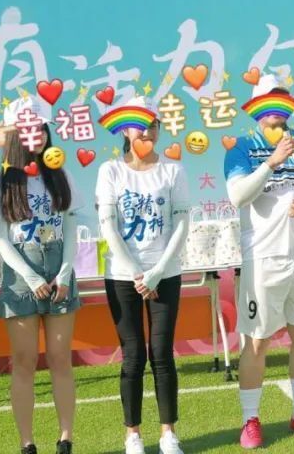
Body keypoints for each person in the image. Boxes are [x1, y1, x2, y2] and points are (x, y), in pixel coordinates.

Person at [224, 75, 294, 449]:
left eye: (282, 101)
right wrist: (272, 162)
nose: (277, 110)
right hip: (263, 257)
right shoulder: (241, 147)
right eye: (270, 102)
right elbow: (238, 196)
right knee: (257, 341)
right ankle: (250, 420)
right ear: (257, 109)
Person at [0, 97, 80, 454]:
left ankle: (66, 438)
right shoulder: (1, 181)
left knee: (60, 358)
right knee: (24, 361)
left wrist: (64, 273)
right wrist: (31, 277)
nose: (36, 135)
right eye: (27, 130)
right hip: (21, 276)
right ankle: (27, 443)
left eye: (40, 128)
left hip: (59, 273)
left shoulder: (60, 173)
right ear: (15, 136)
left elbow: (71, 226)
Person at [96, 97, 192, 453]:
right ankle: (133, 435)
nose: (147, 131)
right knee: (133, 355)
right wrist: (137, 273)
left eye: (153, 125)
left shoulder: (173, 171)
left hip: (165, 273)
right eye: (140, 125)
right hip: (123, 276)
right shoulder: (110, 171)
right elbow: (108, 225)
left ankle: (168, 434)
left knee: (162, 353)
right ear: (125, 130)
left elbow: (181, 223)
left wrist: (157, 272)